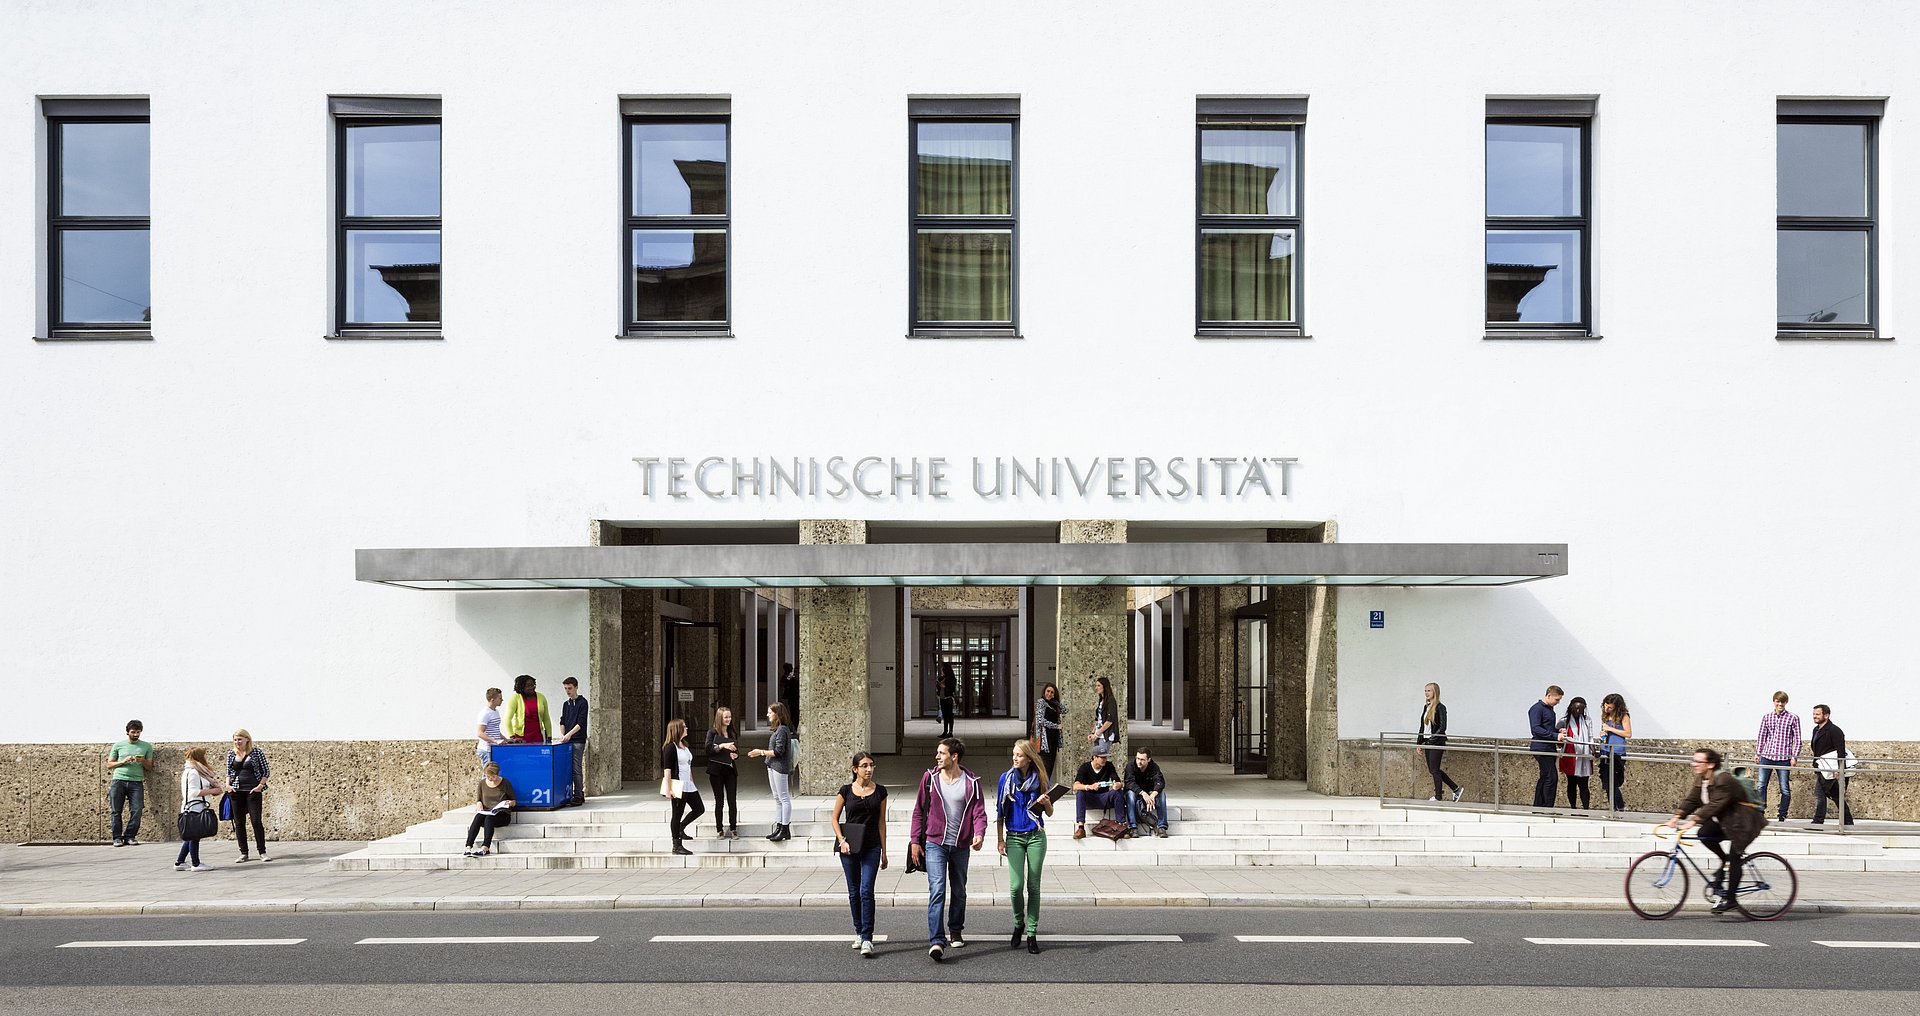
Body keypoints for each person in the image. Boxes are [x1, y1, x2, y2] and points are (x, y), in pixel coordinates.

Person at [907, 737, 985, 962]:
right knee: (937, 889)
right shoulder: (929, 779)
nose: (937, 757)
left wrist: (979, 833)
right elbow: (918, 811)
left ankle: (956, 929)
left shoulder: (971, 782)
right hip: (935, 843)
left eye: (941, 753)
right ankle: (937, 941)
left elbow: (979, 812)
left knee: (959, 890)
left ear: (954, 757)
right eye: (937, 753)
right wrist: (915, 841)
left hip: (960, 845)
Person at [1662, 747, 1767, 914]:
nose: (1693, 764)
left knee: (1735, 858)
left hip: (1743, 822)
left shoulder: (1723, 779)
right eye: (1693, 760)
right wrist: (1677, 816)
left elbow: (1716, 803)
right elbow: (1692, 799)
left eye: (1698, 761)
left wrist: (1694, 820)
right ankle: (1724, 861)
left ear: (1710, 764)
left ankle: (1731, 900)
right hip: (1727, 821)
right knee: (1704, 834)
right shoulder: (1702, 779)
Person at [997, 738, 1052, 954]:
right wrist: (1000, 840)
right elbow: (1000, 813)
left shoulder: (1040, 778)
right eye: (1013, 754)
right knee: (1016, 887)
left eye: (1019, 755)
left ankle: (1031, 932)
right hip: (1014, 837)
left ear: (1029, 758)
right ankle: (1018, 923)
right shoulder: (1006, 779)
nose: (1015, 758)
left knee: (1034, 886)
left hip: (1036, 835)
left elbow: (1049, 812)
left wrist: (1047, 803)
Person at [832, 751, 889, 957]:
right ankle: (858, 931)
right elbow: (834, 819)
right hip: (849, 847)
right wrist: (842, 841)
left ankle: (867, 937)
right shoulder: (846, 791)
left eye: (871, 765)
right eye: (864, 766)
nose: (869, 769)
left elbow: (882, 822)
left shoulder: (880, 792)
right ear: (855, 769)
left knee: (866, 891)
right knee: (854, 892)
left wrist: (884, 851)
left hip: (872, 846)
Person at [175, 746, 228, 872]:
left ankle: (180, 862)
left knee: (191, 836)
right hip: (194, 807)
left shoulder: (197, 771)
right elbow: (193, 792)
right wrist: (212, 790)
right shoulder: (192, 772)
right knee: (194, 836)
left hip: (197, 806)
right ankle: (196, 863)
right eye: (204, 755)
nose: (206, 757)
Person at [748, 702, 795, 841]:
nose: (767, 715)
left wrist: (760, 752)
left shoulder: (782, 730)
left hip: (779, 767)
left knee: (784, 797)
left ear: (777, 714)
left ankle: (785, 828)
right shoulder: (778, 729)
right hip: (773, 766)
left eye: (770, 712)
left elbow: (779, 751)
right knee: (777, 798)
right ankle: (779, 827)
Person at [104, 720, 154, 847]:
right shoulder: (118, 745)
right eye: (133, 732)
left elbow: (149, 767)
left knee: (137, 810)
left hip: (136, 782)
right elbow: (109, 764)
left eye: (138, 732)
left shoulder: (146, 746)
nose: (136, 735)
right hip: (119, 780)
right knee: (116, 810)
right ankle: (116, 837)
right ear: (127, 732)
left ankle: (130, 836)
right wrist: (123, 761)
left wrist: (142, 761)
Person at [1753, 691, 1801, 822]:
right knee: (1761, 785)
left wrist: (1794, 757)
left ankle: (1782, 814)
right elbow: (1762, 736)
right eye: (1778, 701)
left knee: (1784, 788)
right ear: (1774, 701)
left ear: (1786, 702)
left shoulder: (1793, 718)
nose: (1780, 704)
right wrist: (1758, 753)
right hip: (1767, 756)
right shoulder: (1767, 717)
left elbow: (1797, 739)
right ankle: (1760, 812)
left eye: (1782, 701)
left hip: (1783, 758)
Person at [659, 718, 705, 856]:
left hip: (689, 784)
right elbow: (667, 769)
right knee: (677, 814)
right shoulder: (670, 747)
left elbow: (688, 766)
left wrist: (692, 780)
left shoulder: (684, 745)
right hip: (678, 785)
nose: (687, 729)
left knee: (699, 808)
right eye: (684, 727)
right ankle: (676, 845)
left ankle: (681, 827)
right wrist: (668, 789)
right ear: (677, 729)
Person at [226, 729, 272, 862]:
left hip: (253, 791)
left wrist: (260, 786)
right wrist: (228, 786)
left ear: (247, 739)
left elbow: (266, 771)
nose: (237, 742)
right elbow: (229, 772)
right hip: (236, 791)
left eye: (240, 739)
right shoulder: (231, 753)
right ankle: (244, 852)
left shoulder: (256, 752)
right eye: (235, 739)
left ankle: (262, 852)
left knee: (256, 821)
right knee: (239, 822)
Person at [1810, 703, 1856, 825]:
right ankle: (1848, 820)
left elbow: (1841, 751)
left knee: (1820, 793)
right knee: (1836, 795)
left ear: (1826, 715)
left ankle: (1818, 821)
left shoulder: (1835, 731)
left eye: (1817, 714)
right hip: (1822, 767)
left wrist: (1839, 769)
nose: (1815, 716)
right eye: (1814, 714)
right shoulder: (1816, 730)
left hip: (1832, 769)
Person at [1070, 742, 1128, 839]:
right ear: (1094, 757)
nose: (1105, 760)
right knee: (1080, 793)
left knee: (1118, 792)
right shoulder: (1085, 767)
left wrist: (1117, 785)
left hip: (1104, 797)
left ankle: (1121, 825)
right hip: (1090, 798)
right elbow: (1075, 786)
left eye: (1105, 757)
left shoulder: (1109, 766)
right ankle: (1081, 827)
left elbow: (1118, 781)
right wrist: (1089, 787)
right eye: (1102, 757)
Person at [1417, 683, 1461, 802]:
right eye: (1425, 690)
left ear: (1435, 692)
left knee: (1435, 770)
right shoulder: (1426, 707)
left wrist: (1432, 740)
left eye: (1429, 691)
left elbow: (1442, 727)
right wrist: (1419, 743)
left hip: (1436, 742)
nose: (1426, 693)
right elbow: (1423, 727)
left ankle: (1438, 797)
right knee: (1433, 770)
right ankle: (1456, 789)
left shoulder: (1440, 707)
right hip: (1427, 742)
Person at [463, 762, 516, 856]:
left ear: (497, 774)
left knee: (489, 818)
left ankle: (485, 847)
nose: (491, 779)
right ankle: (468, 847)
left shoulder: (505, 783)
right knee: (478, 817)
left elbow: (514, 801)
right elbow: (479, 799)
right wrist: (478, 803)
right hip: (487, 812)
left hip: (502, 814)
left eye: (493, 777)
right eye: (488, 777)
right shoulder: (482, 783)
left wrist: (510, 803)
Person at [706, 705, 741, 838]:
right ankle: (719, 829)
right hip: (716, 771)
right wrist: (722, 746)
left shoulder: (732, 732)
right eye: (726, 717)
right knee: (719, 800)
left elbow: (736, 750)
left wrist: (735, 755)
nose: (728, 719)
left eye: (730, 717)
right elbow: (708, 749)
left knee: (732, 800)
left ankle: (733, 828)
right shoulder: (712, 732)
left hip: (730, 770)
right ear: (720, 718)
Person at [1528, 685, 1564, 808]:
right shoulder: (1537, 709)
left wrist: (1558, 732)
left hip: (1549, 747)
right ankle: (1546, 807)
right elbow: (1536, 729)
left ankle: (1539, 806)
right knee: (1551, 777)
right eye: (1557, 699)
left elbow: (1546, 728)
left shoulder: (1550, 710)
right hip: (1541, 747)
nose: (1558, 703)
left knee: (1545, 777)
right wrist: (1555, 735)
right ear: (1549, 696)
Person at [557, 676, 589, 806]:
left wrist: (569, 734)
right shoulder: (566, 704)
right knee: (567, 767)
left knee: (576, 767)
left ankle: (579, 794)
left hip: (577, 739)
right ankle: (568, 793)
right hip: (567, 739)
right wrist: (562, 734)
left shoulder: (583, 702)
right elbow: (563, 720)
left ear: (576, 687)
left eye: (570, 688)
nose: (568, 691)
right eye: (565, 688)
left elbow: (580, 723)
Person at [1124, 745, 1169, 837]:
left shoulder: (1154, 767)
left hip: (1149, 792)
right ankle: (1133, 827)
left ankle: (1162, 827)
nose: (1139, 762)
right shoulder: (1130, 766)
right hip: (1136, 792)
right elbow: (1129, 783)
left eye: (1142, 759)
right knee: (1130, 795)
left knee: (1161, 795)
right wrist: (1142, 793)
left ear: (1148, 759)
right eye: (1138, 758)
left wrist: (1153, 794)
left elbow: (1160, 781)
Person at [1558, 696, 1594, 810]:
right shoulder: (1564, 720)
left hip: (1584, 754)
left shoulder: (1588, 720)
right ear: (1571, 708)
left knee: (1584, 784)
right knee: (1571, 783)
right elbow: (1557, 738)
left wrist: (1594, 751)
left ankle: (1586, 809)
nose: (1578, 711)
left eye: (1581, 709)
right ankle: (1573, 807)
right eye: (1576, 708)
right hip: (1570, 754)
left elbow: (1590, 737)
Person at [1598, 693, 1632, 811]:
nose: (1607, 709)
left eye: (1610, 707)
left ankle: (1620, 806)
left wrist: (1611, 729)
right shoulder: (1606, 716)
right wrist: (1602, 735)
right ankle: (1613, 808)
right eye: (1605, 706)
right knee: (1606, 782)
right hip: (1605, 750)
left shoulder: (1623, 716)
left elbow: (1628, 734)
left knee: (1614, 781)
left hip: (1617, 752)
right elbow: (1604, 732)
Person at [502, 674, 551, 744]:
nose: (532, 687)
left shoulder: (541, 697)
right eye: (528, 686)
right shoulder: (515, 698)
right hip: (520, 738)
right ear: (521, 687)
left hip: (537, 737)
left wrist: (549, 736)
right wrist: (512, 737)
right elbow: (507, 719)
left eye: (533, 685)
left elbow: (546, 719)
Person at [1034, 682, 1064, 776]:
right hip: (1044, 740)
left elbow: (1065, 710)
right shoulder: (1041, 702)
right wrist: (1056, 726)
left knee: (1050, 766)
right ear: (1044, 691)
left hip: (1053, 739)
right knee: (1045, 766)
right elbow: (1040, 721)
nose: (1049, 694)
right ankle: (1043, 788)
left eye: (1052, 692)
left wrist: (1055, 701)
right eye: (1048, 691)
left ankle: (1046, 787)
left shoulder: (1054, 704)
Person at [1087, 675, 1119, 753]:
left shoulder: (1111, 701)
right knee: (1096, 758)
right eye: (1096, 685)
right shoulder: (1101, 701)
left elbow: (1110, 720)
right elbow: (1098, 718)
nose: (1096, 688)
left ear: (1104, 687)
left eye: (1099, 685)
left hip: (1105, 735)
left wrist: (1097, 734)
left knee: (1101, 757)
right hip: (1098, 734)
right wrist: (1092, 732)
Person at [474, 687, 506, 765]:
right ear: (492, 700)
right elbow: (479, 733)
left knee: (493, 774)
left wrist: (506, 739)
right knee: (489, 774)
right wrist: (495, 741)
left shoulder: (495, 711)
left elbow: (495, 730)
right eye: (500, 698)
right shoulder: (485, 713)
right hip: (487, 749)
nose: (502, 700)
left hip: (494, 748)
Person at [936, 663, 957, 738]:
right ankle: (945, 731)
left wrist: (944, 687)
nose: (941, 671)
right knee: (945, 716)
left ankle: (950, 731)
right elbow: (938, 687)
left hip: (949, 698)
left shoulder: (951, 679)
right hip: (942, 698)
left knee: (950, 716)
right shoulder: (941, 678)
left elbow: (952, 689)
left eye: (942, 670)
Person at [779, 662, 800, 729]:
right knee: (791, 713)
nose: (792, 669)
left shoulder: (791, 678)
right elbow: (784, 687)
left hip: (793, 699)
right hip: (792, 699)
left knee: (794, 714)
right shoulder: (789, 678)